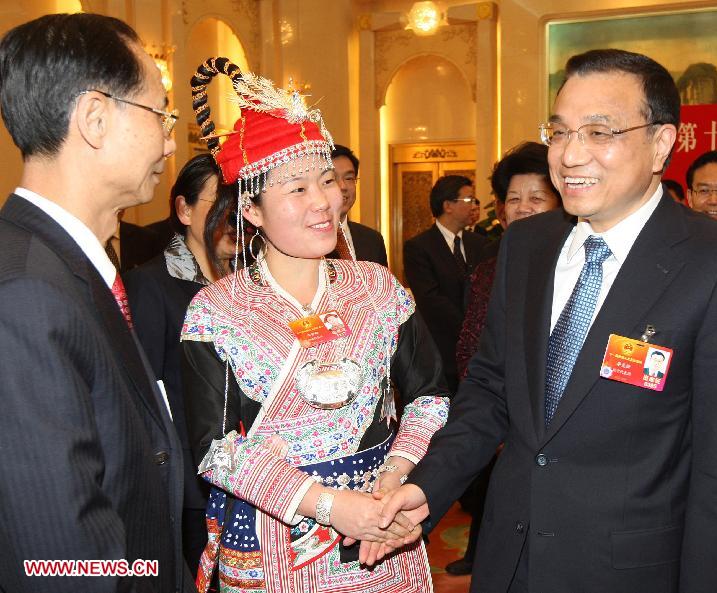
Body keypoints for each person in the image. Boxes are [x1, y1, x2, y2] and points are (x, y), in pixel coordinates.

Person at [377, 48, 717, 593]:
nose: (570, 156)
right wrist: (427, 486)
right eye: (560, 132)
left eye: (599, 132)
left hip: (627, 571)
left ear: (661, 143)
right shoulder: (527, 245)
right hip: (510, 558)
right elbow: (492, 388)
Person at [180, 57, 449, 593]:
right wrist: (330, 506)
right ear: (252, 212)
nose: (323, 201)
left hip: (383, 526)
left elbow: (430, 395)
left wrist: (394, 482)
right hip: (277, 534)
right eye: (296, 189)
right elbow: (215, 448)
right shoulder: (216, 310)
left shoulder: (376, 287)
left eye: (326, 181)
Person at [0, 13, 189, 593]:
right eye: (161, 114)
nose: (171, 140)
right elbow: (64, 560)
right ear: (95, 119)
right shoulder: (28, 293)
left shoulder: (68, 267)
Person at [447, 140, 562, 577]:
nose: (524, 208)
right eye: (513, 199)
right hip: (503, 426)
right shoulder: (488, 271)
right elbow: (472, 349)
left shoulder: (583, 263)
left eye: (537, 198)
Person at [124, 153, 236, 576]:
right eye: (218, 205)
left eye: (238, 204)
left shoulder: (251, 280)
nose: (230, 218)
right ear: (184, 209)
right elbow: (147, 392)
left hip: (256, 470)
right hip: (192, 480)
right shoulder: (152, 284)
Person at [403, 175, 490, 391]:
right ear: (448, 205)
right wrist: (470, 325)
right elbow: (430, 299)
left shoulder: (480, 244)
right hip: (441, 349)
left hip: (479, 352)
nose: (474, 206)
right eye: (469, 200)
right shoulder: (419, 247)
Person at [326, 144, 388, 265]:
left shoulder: (373, 240)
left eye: (349, 178)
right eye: (332, 179)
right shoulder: (304, 240)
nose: (342, 186)